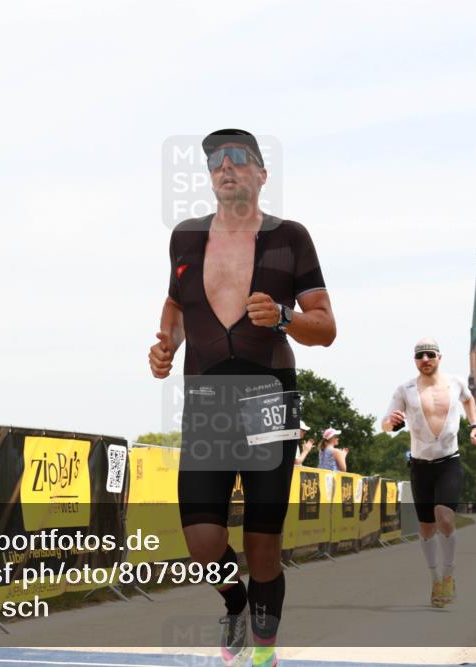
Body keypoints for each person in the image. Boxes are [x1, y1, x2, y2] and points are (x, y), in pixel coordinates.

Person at [149, 129, 336, 667]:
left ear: (260, 174)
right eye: (214, 162)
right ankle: (235, 603)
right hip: (207, 397)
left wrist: (284, 317)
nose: (225, 167)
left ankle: (264, 654)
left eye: (238, 158)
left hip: (269, 396)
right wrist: (166, 346)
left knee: (262, 543)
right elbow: (175, 309)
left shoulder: (289, 236)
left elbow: (324, 325)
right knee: (202, 541)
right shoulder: (185, 237)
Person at [381, 338, 476, 608]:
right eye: (419, 356)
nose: (424, 359)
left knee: (445, 517)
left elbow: (470, 400)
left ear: (439, 356)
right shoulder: (405, 389)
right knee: (426, 528)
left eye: (429, 354)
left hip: (449, 462)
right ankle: (435, 577)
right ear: (415, 361)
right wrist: (391, 423)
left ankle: (449, 574)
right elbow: (384, 422)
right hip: (420, 466)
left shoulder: (456, 383)